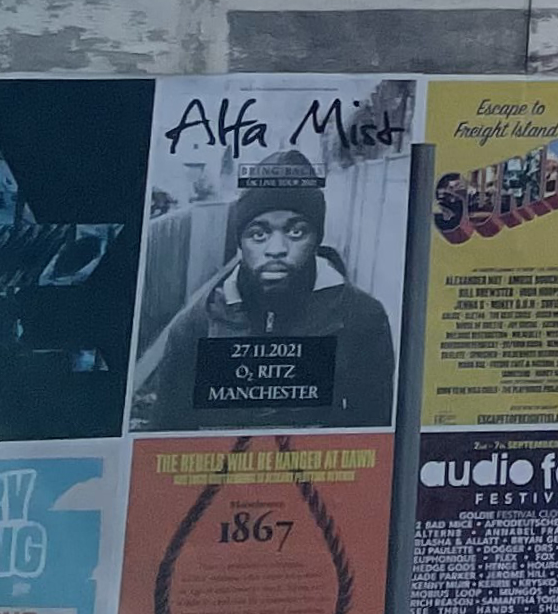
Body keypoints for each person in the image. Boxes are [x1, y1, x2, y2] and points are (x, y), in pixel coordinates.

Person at [130, 151, 397, 428]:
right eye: (258, 234)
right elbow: (168, 434)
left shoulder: (362, 319)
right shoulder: (195, 326)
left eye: (296, 232)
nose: (276, 249)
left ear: (317, 237)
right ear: (240, 241)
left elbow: (372, 435)